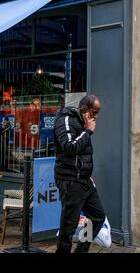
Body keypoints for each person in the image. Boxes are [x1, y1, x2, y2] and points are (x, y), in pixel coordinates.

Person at [53, 94, 106, 253]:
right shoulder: (65, 120)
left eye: (97, 113)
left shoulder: (82, 123)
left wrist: (85, 173)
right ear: (84, 109)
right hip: (70, 181)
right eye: (94, 112)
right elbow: (69, 147)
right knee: (68, 227)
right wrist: (88, 131)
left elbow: (80, 154)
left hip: (83, 180)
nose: (96, 117)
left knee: (97, 217)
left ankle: (81, 250)